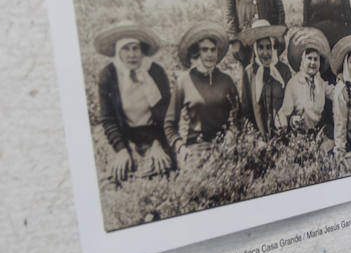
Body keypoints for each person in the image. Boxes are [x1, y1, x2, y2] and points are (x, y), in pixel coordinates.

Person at [93, 23, 173, 182]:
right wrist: (121, 150)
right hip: (122, 133)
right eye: (126, 49)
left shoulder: (156, 72)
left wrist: (157, 143)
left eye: (136, 48)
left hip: (153, 133)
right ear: (118, 52)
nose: (132, 55)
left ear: (142, 50)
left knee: (162, 166)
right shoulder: (108, 75)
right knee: (118, 172)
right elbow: (108, 119)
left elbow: (166, 115)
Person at [165, 23, 240, 160]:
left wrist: (231, 133)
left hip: (224, 146)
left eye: (213, 50)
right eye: (204, 50)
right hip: (195, 148)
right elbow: (169, 124)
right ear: (197, 53)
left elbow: (238, 114)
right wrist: (180, 146)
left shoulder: (226, 80)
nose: (209, 54)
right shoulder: (184, 81)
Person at [279, 27, 334, 147]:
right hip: (300, 134)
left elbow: (334, 93)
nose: (312, 63)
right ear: (302, 60)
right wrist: (293, 120)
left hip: (318, 132)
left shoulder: (320, 82)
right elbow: (285, 112)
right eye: (309, 58)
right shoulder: (293, 84)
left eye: (316, 59)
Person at [237, 20, 292, 138]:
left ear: (273, 47)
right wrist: (254, 137)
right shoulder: (249, 73)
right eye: (261, 48)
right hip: (258, 138)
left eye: (268, 47)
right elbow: (246, 110)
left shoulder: (283, 71)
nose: (265, 53)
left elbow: (290, 105)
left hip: (282, 135)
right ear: (255, 50)